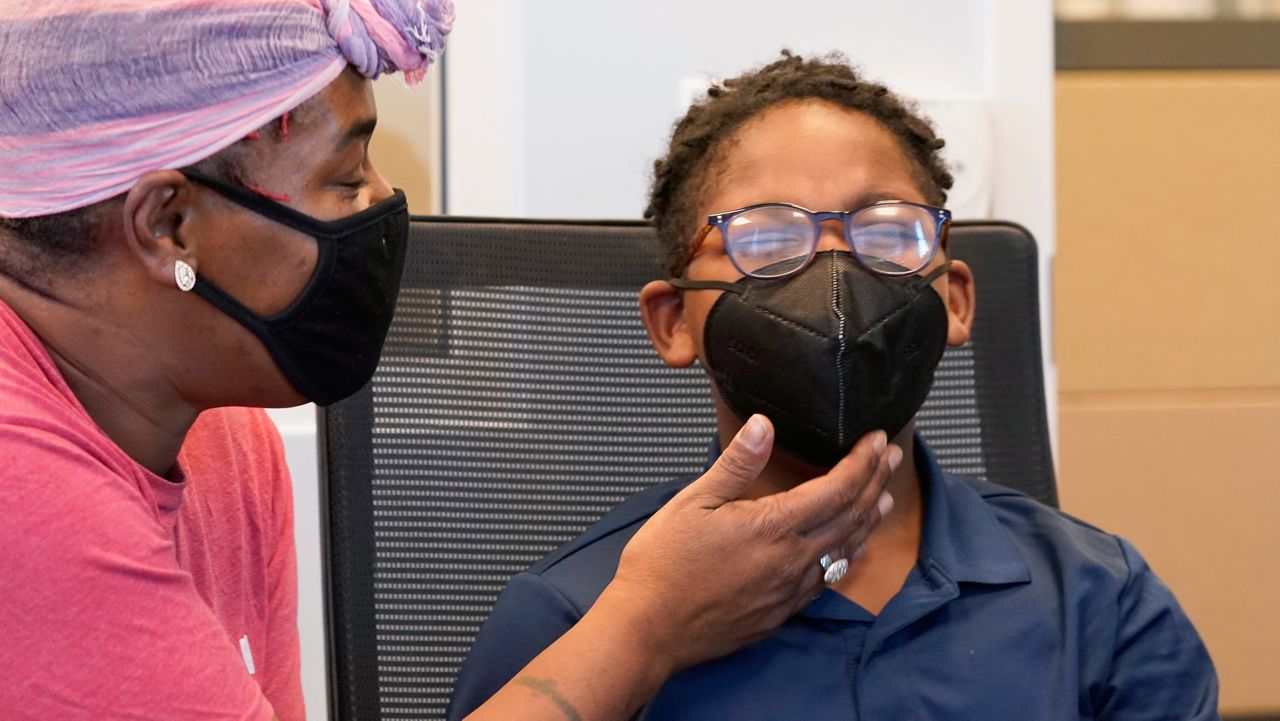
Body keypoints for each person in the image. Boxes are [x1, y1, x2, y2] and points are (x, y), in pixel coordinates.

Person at [0, 6, 898, 720]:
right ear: (167, 225)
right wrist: (649, 624)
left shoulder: (224, 442)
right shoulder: (21, 494)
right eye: (346, 178)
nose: (388, 204)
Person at [448, 51, 1221, 720]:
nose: (834, 272)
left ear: (954, 299)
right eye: (766, 236)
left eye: (885, 229)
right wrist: (643, 632)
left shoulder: (1100, 599)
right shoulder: (578, 618)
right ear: (671, 321)